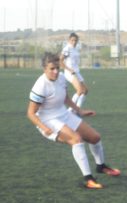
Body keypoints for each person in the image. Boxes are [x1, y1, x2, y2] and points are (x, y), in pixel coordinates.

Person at [27, 52, 121, 189]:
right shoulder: (40, 86)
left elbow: (65, 98)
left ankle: (101, 166)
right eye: (51, 69)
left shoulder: (61, 78)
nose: (55, 71)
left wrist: (80, 110)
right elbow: (30, 113)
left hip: (63, 114)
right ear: (44, 69)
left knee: (95, 137)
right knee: (76, 140)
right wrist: (43, 127)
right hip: (48, 120)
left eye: (57, 68)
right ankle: (88, 179)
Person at [60, 32, 88, 108]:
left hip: (76, 72)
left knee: (85, 90)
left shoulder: (75, 49)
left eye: (75, 40)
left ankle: (77, 109)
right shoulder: (67, 48)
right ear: (69, 40)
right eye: (72, 40)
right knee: (79, 90)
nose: (74, 42)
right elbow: (60, 61)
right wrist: (69, 69)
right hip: (70, 72)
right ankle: (70, 110)